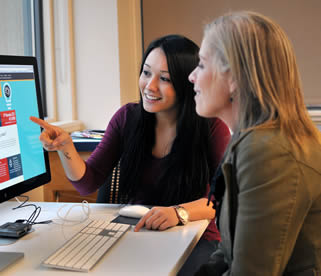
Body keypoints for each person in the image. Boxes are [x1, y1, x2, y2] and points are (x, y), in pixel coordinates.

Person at [30, 35, 230, 274]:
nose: (150, 85)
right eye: (146, 73)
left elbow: (224, 197)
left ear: (186, 83)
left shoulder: (211, 126)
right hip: (139, 232)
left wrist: (178, 213)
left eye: (164, 79)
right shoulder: (126, 118)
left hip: (196, 236)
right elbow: (86, 183)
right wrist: (66, 148)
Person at [188, 11, 321, 276]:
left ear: (235, 78)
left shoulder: (270, 151)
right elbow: (229, 250)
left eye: (201, 64)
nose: (192, 76)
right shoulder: (251, 138)